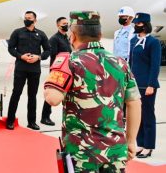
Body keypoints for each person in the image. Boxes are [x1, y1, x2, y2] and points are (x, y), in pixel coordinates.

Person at [44, 11, 142, 172]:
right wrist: (131, 141)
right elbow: (134, 102)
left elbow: (53, 98)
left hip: (82, 153)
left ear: (72, 36)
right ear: (100, 35)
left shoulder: (70, 62)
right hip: (115, 150)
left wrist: (54, 75)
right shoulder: (120, 63)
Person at [6, 11, 50, 130]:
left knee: (32, 96)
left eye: (29, 18)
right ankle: (10, 120)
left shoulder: (41, 34)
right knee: (16, 93)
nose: (27, 20)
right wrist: (21, 56)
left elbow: (47, 50)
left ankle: (32, 121)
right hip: (21, 68)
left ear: (35, 20)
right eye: (25, 18)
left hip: (35, 70)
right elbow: (10, 48)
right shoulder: (17, 32)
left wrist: (39, 57)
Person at [129, 12, 161, 158]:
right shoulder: (132, 41)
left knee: (148, 116)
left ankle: (149, 146)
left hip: (147, 85)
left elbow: (155, 65)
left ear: (145, 25)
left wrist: (151, 84)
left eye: (139, 23)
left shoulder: (153, 43)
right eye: (135, 23)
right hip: (134, 84)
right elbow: (130, 63)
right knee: (137, 116)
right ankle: (140, 144)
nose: (136, 25)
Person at [40, 16, 71, 126]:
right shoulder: (54, 39)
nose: (66, 25)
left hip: (67, 71)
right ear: (58, 25)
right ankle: (45, 116)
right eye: (64, 23)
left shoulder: (67, 38)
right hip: (57, 71)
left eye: (67, 23)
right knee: (52, 93)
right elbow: (53, 55)